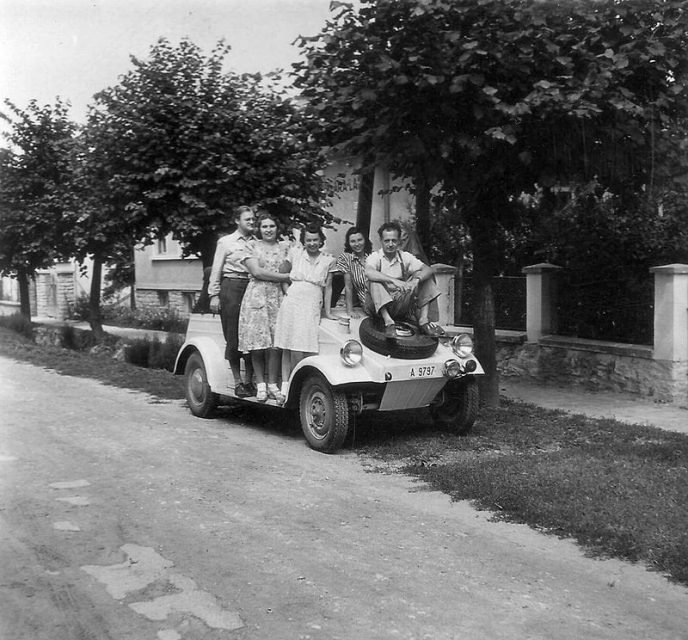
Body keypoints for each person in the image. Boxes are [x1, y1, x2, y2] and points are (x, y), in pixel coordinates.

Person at [274, 223, 336, 398]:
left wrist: (328, 311)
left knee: (305, 344)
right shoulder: (295, 254)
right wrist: (286, 290)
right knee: (288, 344)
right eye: (308, 240)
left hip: (311, 303)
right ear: (304, 241)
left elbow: (329, 288)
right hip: (292, 301)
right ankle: (286, 385)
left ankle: (301, 386)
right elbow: (282, 272)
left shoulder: (328, 260)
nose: (312, 243)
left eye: (315, 239)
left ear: (321, 240)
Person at [237, 212, 291, 403]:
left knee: (276, 344)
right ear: (259, 229)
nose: (268, 230)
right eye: (264, 226)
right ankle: (260, 384)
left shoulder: (286, 247)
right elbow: (257, 272)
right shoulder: (251, 246)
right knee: (258, 344)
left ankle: (272, 384)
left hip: (278, 297)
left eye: (272, 226)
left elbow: (295, 265)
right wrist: (285, 277)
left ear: (278, 228)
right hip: (257, 296)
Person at [364, 220, 444, 340]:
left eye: (394, 240)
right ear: (381, 241)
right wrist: (393, 281)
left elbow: (428, 269)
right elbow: (369, 272)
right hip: (378, 308)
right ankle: (389, 323)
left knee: (424, 277)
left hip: (399, 303)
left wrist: (416, 280)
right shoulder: (375, 257)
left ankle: (423, 320)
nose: (390, 244)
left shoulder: (405, 256)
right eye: (387, 241)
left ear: (399, 241)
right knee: (374, 281)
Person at [208, 205, 257, 397]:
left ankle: (250, 381)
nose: (252, 222)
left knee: (253, 335)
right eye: (248, 220)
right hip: (232, 287)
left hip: (253, 287)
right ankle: (238, 382)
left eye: (253, 219)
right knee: (234, 336)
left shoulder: (257, 242)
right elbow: (216, 269)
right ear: (237, 221)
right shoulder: (226, 242)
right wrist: (214, 294)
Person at [334, 226, 373, 319]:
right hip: (369, 304)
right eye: (353, 241)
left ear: (365, 240)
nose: (357, 244)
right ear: (348, 243)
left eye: (360, 240)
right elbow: (349, 287)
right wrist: (350, 310)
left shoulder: (373, 257)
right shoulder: (346, 259)